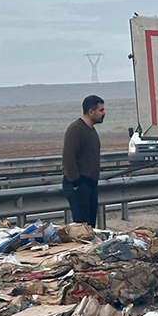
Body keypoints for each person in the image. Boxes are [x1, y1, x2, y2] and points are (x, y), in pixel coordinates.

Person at [62, 95, 104, 227]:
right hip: (80, 185)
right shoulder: (76, 129)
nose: (104, 113)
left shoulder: (91, 130)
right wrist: (75, 183)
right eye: (101, 110)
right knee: (81, 227)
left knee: (90, 226)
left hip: (90, 184)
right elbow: (68, 157)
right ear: (91, 111)